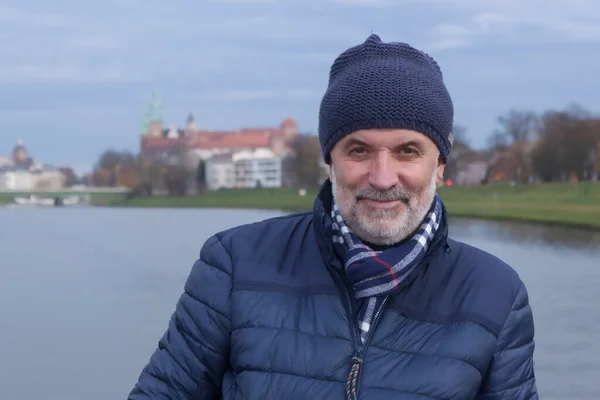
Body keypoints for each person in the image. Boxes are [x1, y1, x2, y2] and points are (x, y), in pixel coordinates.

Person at [128, 34, 538, 399]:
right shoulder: (233, 264)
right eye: (358, 150)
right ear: (330, 161)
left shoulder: (497, 295)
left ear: (440, 165)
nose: (382, 177)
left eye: (407, 151)